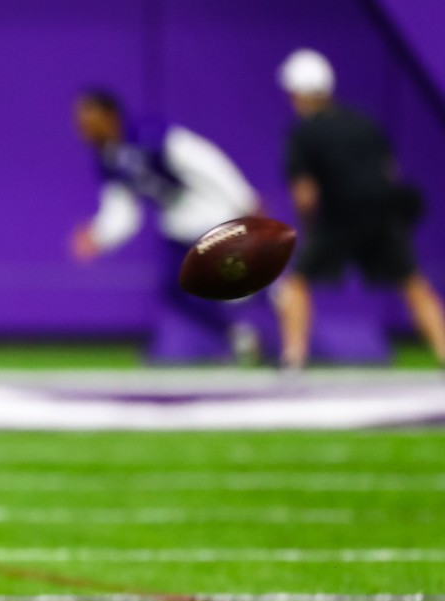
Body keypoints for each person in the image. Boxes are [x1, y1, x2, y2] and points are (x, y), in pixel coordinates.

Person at [274, 49, 445, 370]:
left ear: (297, 92)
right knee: (412, 282)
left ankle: (293, 358)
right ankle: (443, 351)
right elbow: (390, 172)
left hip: (338, 217)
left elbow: (305, 195)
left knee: (296, 283)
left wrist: (311, 228)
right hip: (382, 213)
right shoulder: (364, 123)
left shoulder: (304, 133)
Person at [71, 89, 263, 363]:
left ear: (109, 115)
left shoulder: (148, 133)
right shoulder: (107, 158)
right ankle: (238, 336)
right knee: (175, 288)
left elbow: (205, 161)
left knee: (241, 282)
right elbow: (124, 211)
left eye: (87, 117)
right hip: (177, 220)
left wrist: (244, 197)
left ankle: (286, 317)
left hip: (209, 210)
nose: (82, 126)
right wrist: (99, 236)